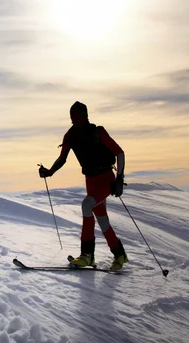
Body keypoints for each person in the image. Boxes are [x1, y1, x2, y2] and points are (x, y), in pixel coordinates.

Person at [38, 101, 128, 271]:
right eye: (72, 117)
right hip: (91, 180)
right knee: (102, 220)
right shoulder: (70, 135)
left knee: (87, 205)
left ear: (85, 115)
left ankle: (87, 255)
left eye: (77, 116)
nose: (74, 120)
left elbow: (119, 152)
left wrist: (119, 179)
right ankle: (119, 254)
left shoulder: (98, 132)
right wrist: (49, 172)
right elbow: (62, 158)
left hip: (105, 179)